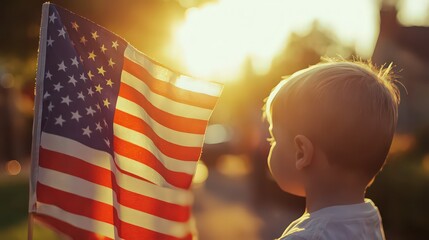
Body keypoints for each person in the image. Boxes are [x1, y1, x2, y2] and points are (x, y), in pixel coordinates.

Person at [263, 58, 400, 239]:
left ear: (302, 153)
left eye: (274, 138)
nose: (270, 145)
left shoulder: (308, 236)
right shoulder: (369, 220)